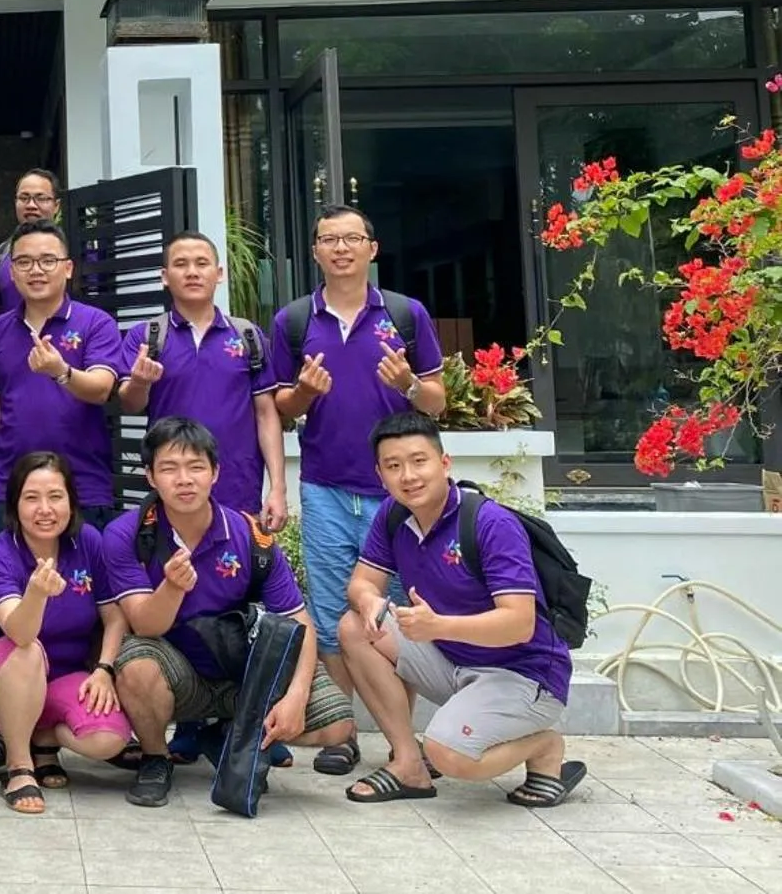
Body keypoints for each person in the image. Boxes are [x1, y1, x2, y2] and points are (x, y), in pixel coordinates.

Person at [103, 417, 355, 808]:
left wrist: (296, 694)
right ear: (151, 477)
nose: (184, 479)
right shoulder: (128, 534)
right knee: (135, 664)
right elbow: (144, 623)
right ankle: (155, 758)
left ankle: (227, 733)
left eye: (196, 467)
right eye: (169, 468)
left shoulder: (248, 534)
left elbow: (298, 621)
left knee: (338, 724)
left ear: (215, 473)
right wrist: (171, 588)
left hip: (242, 670)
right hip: (177, 672)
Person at [272, 204, 444, 772]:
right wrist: (303, 393)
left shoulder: (405, 314)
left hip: (398, 494)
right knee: (328, 611)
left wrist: (409, 383)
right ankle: (342, 730)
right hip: (324, 487)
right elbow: (281, 406)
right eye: (328, 239)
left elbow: (438, 401)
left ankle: (400, 736)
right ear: (315, 251)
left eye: (352, 238)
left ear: (372, 248)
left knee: (394, 612)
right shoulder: (295, 320)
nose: (340, 248)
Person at [339, 413, 582, 809]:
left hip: (524, 674)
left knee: (449, 754)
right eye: (394, 466)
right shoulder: (394, 515)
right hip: (454, 662)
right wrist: (369, 601)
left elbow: (519, 624)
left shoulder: (489, 523)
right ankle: (408, 764)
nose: (408, 476)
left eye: (419, 461)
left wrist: (438, 626)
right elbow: (362, 583)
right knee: (354, 627)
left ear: (444, 463)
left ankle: (544, 746)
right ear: (380, 474)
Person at [0, 451, 131, 813]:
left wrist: (105, 670)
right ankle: (19, 765)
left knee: (109, 740)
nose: (45, 509)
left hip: (66, 678)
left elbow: (114, 616)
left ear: (72, 502)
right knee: (27, 651)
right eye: (32, 498)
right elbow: (20, 633)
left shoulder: (88, 542)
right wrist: (36, 594)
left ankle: (43, 737)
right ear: (14, 505)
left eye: (55, 497)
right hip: (4, 680)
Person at [116, 231, 288, 529]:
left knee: (237, 570)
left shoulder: (247, 336)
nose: (192, 272)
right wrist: (140, 382)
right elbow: (130, 404)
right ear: (165, 276)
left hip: (239, 487)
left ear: (218, 273)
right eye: (181, 264)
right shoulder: (147, 337)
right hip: (173, 487)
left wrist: (278, 487)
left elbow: (266, 413)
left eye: (202, 263)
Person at [0, 221, 129, 538]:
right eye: (24, 262)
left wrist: (61, 372)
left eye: (48, 261)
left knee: (84, 585)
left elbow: (102, 389)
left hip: (81, 484)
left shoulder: (95, 323)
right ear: (12, 272)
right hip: (10, 484)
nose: (36, 270)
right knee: (6, 582)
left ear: (68, 268)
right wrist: (17, 428)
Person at [0, 170, 62, 317]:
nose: (31, 205)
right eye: (24, 198)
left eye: (40, 198)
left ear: (56, 206)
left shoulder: (73, 251)